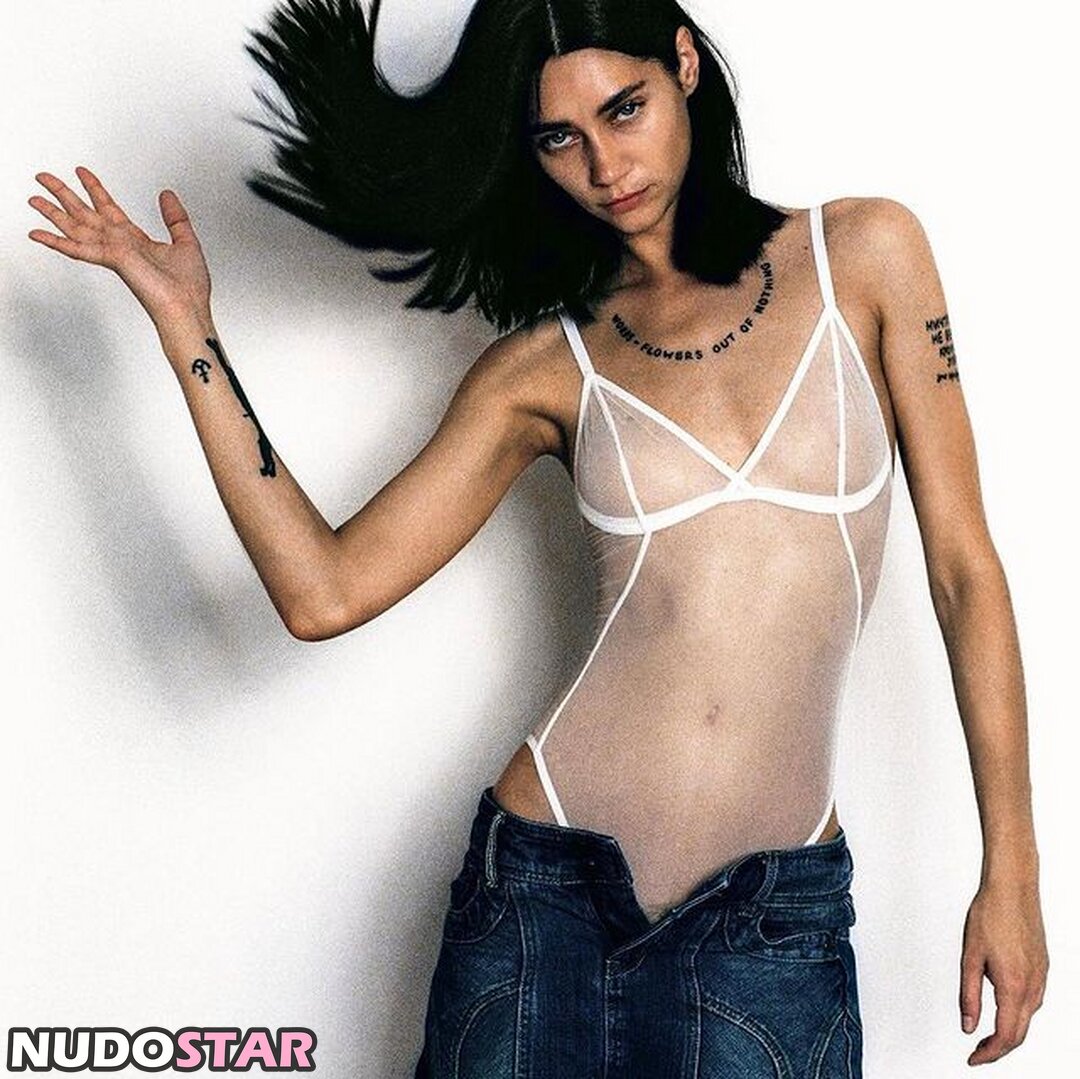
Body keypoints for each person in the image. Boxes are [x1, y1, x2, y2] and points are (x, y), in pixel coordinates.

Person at [25, 0, 1047, 1074]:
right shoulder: (548, 368)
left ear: (684, 65)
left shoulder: (866, 255)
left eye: (624, 108)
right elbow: (321, 591)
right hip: (539, 906)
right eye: (561, 137)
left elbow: (965, 572)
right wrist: (188, 328)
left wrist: (1012, 870)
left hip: (770, 926)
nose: (605, 166)